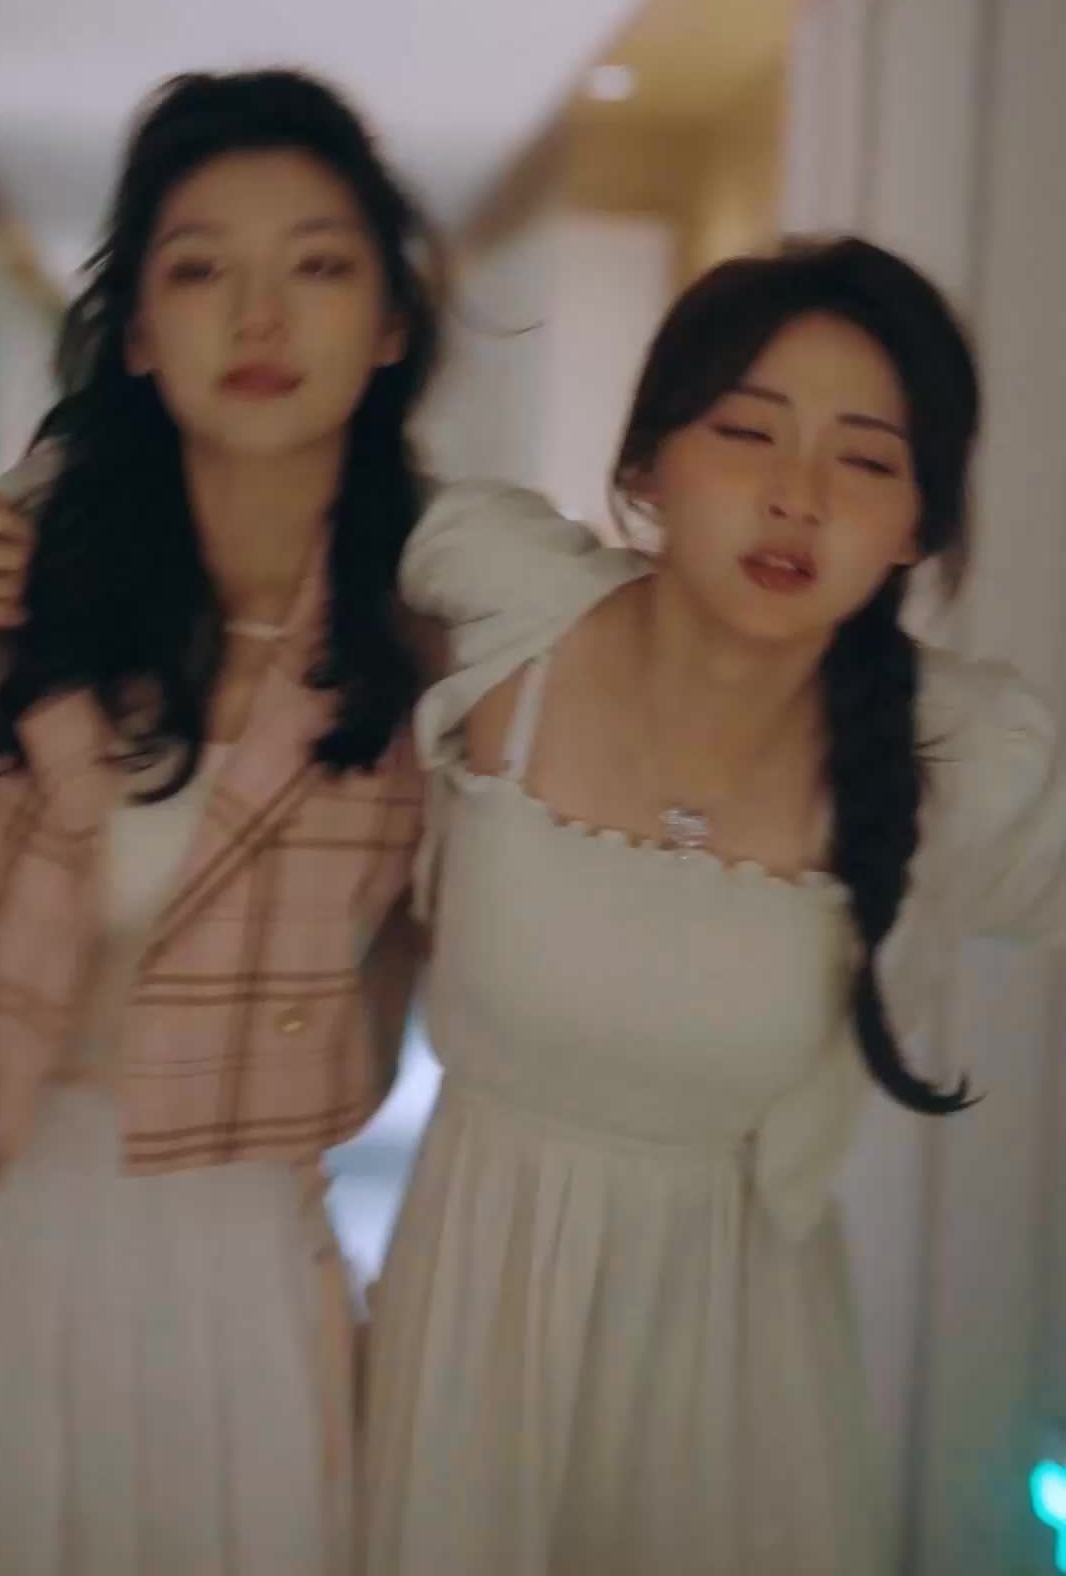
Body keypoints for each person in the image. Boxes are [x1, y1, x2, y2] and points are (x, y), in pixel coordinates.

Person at [362, 237, 1065, 1576]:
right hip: (470, 1334)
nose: (798, 498)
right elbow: (273, 506)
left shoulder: (954, 758)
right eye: (748, 434)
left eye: (866, 461)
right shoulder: (511, 608)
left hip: (738, 1384)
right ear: (647, 468)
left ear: (916, 525)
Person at [0, 68, 442, 1575]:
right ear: (134, 331)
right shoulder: (23, 586)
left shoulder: (436, 642)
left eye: (316, 267)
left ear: (390, 321)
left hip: (236, 1247)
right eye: (199, 272)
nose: (258, 320)